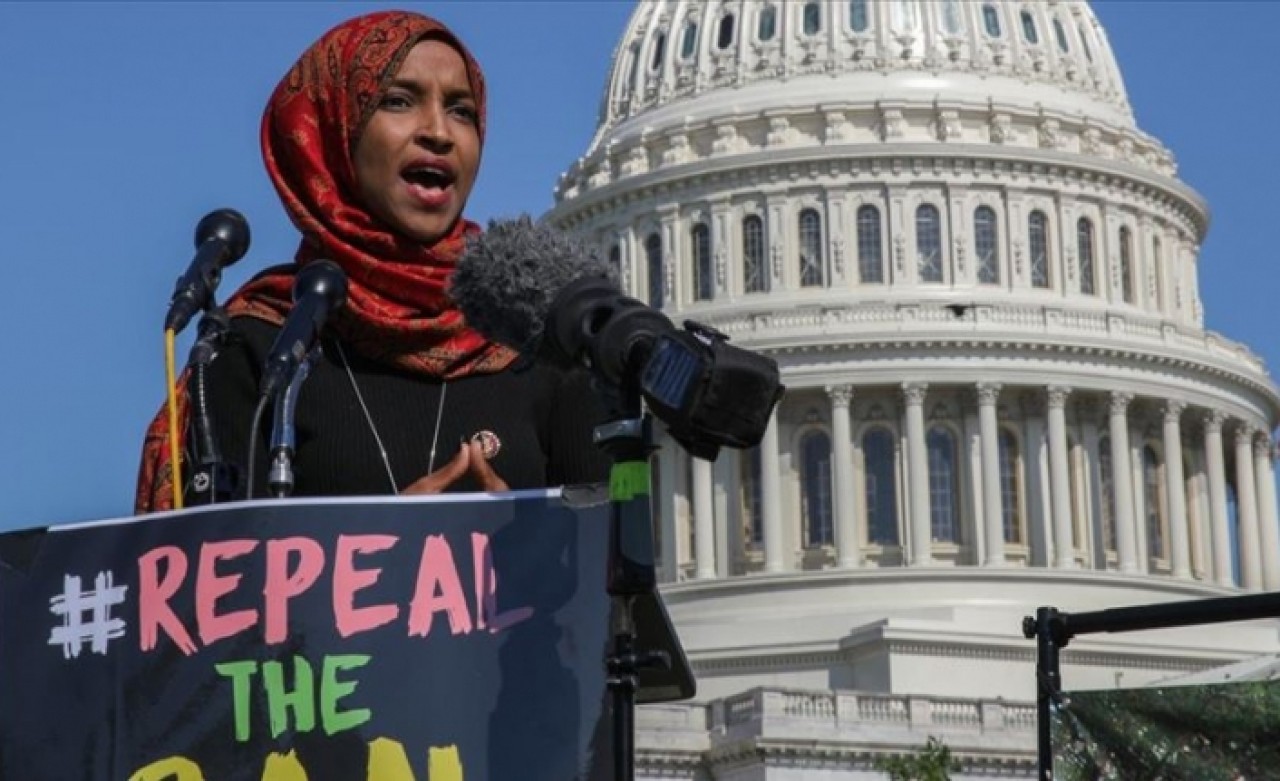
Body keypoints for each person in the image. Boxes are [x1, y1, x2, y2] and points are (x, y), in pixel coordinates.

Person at [135, 10, 610, 512]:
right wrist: (387, 551)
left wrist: (525, 549)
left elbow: (607, 571)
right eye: (399, 101)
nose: (439, 132)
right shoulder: (263, 346)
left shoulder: (543, 342)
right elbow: (216, 577)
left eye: (461, 110)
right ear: (333, 131)